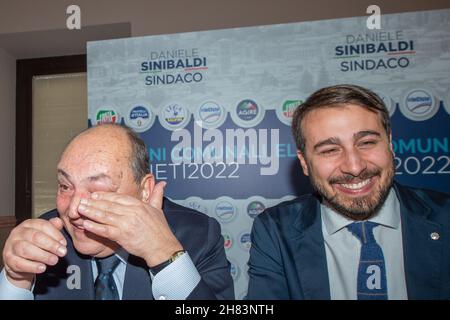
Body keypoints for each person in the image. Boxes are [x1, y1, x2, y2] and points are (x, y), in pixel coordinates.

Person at [246, 84, 450, 300]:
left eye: (367, 142)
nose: (354, 167)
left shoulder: (445, 218)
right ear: (305, 163)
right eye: (330, 150)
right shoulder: (276, 230)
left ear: (390, 144)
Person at [0, 124, 234, 300]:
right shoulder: (48, 238)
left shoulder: (197, 234)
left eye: (97, 189)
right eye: (65, 186)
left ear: (144, 190)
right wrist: (16, 280)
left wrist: (165, 256)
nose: (72, 211)